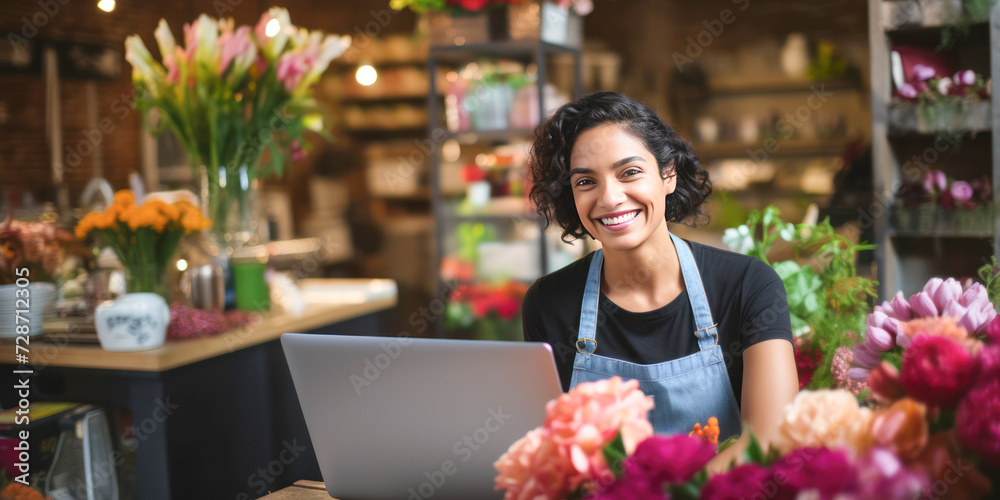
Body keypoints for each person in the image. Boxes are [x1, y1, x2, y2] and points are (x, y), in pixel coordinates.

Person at [522, 92, 798, 469]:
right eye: (586, 181)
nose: (610, 197)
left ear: (668, 175)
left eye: (629, 172)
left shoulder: (748, 285)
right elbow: (550, 452)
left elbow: (769, 442)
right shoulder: (548, 302)